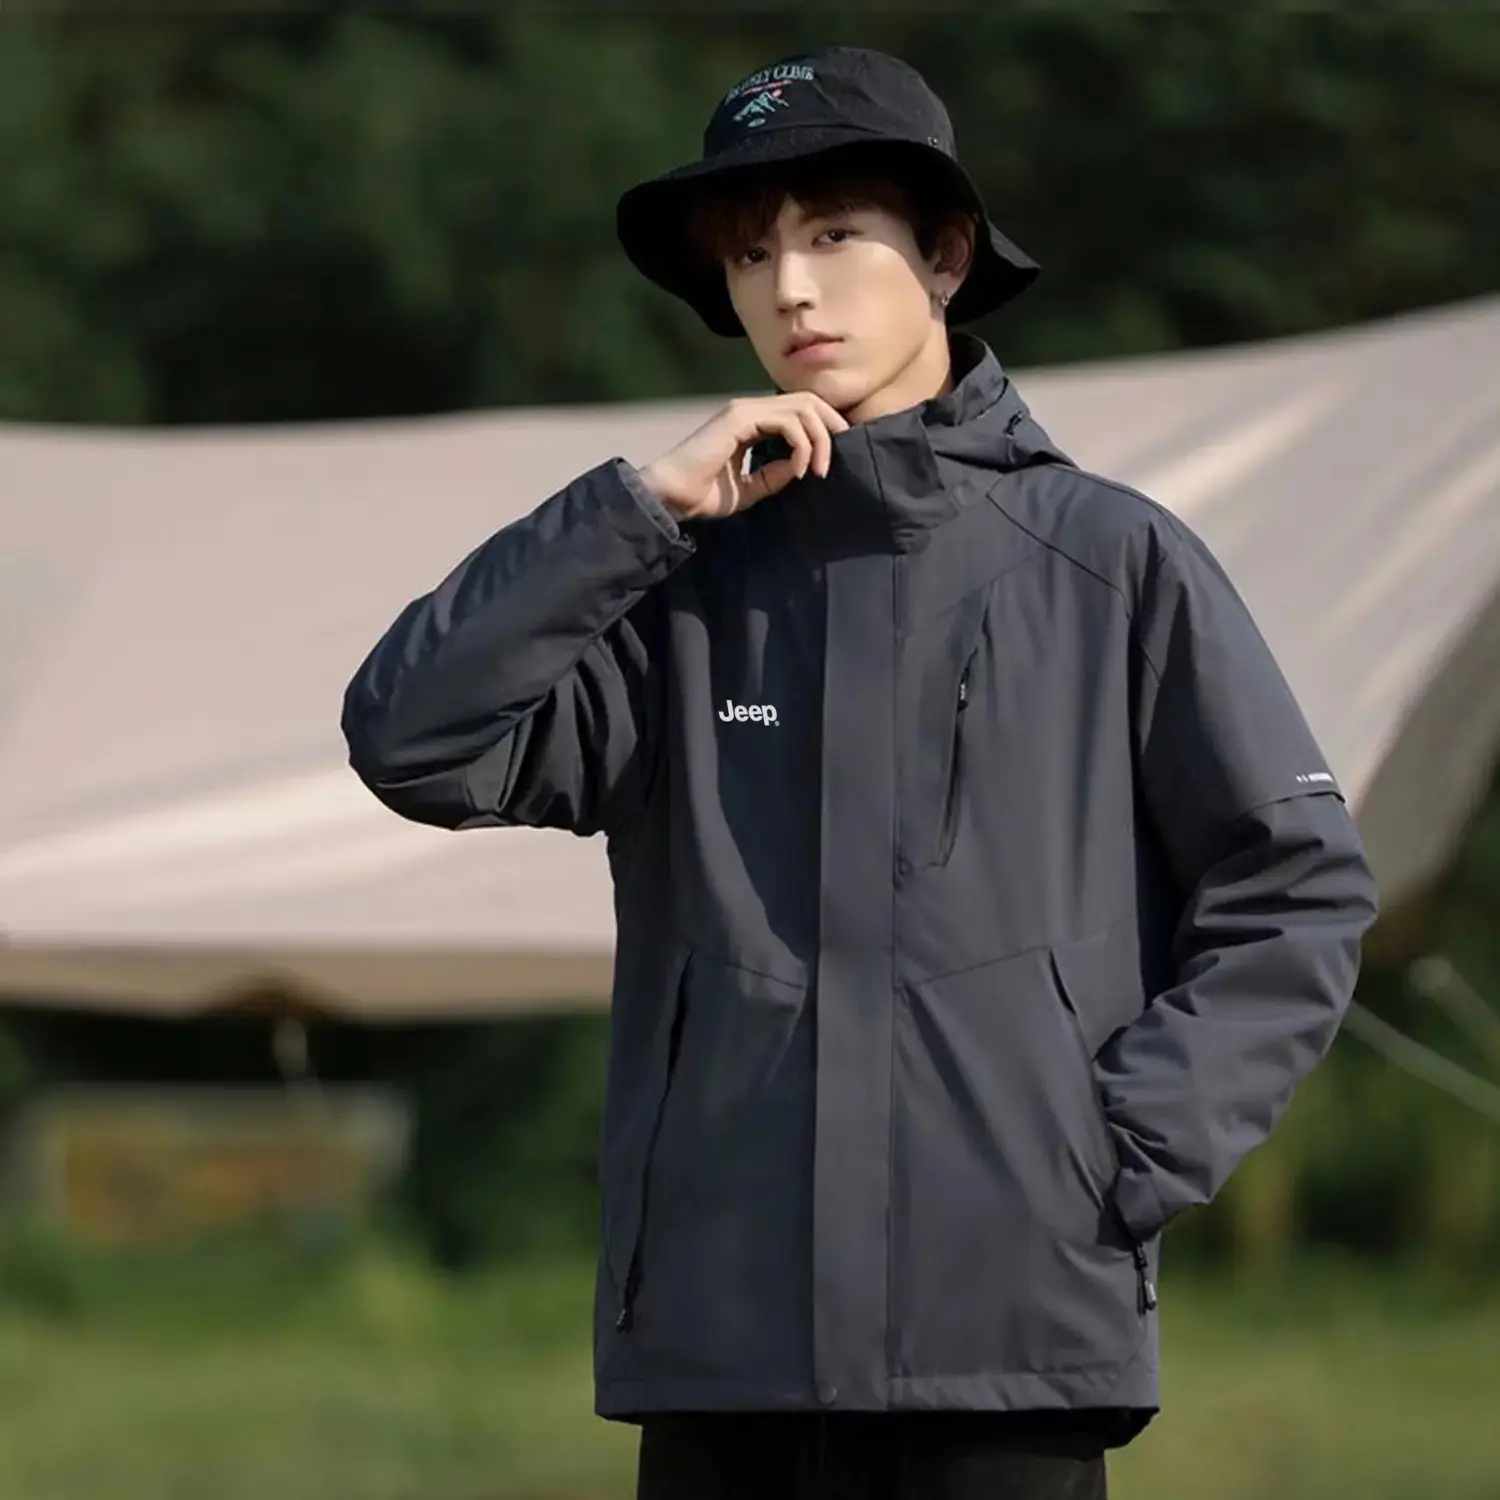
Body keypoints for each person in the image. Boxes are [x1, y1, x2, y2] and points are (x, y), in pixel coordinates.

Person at [341, 44, 1381, 1500]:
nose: (790, 288)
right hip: (722, 1348)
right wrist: (634, 510)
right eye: (750, 252)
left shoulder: (1112, 562)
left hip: (1010, 1336)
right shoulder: (675, 590)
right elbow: (411, 738)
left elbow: (1298, 890)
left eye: (834, 234)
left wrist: (1112, 1155)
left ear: (946, 257)